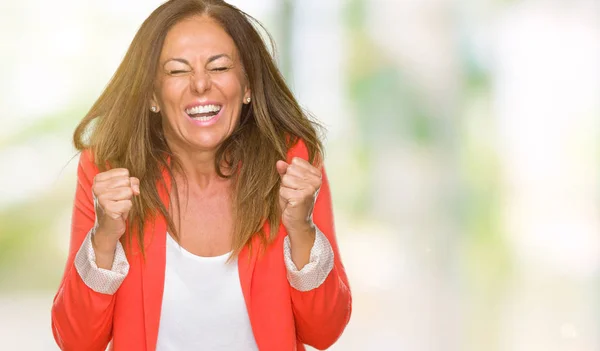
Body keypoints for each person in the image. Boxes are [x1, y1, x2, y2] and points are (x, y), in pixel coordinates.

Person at [50, 0, 351, 350]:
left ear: (249, 85)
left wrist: (302, 229)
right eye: (178, 71)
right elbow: (76, 341)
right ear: (152, 95)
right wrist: (104, 239)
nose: (200, 85)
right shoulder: (108, 169)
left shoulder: (293, 164)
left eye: (219, 67)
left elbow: (324, 332)